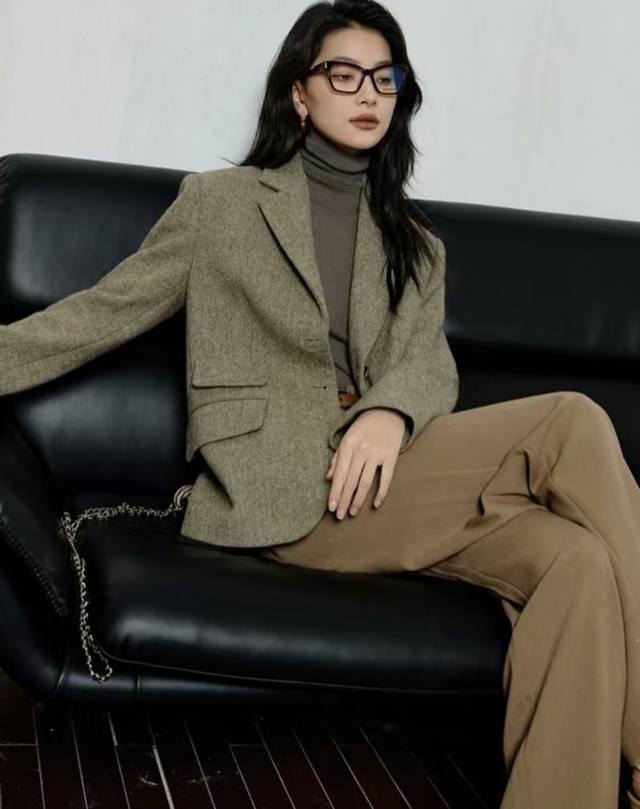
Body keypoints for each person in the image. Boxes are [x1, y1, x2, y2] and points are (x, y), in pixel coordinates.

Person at [1, 1, 639, 806]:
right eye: (344, 73)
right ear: (300, 94)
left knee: (578, 562)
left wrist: (388, 412)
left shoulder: (415, 243)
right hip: (290, 490)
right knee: (571, 420)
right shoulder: (222, 206)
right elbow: (102, 312)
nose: (368, 92)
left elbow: (427, 366)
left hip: (393, 481)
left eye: (385, 77)